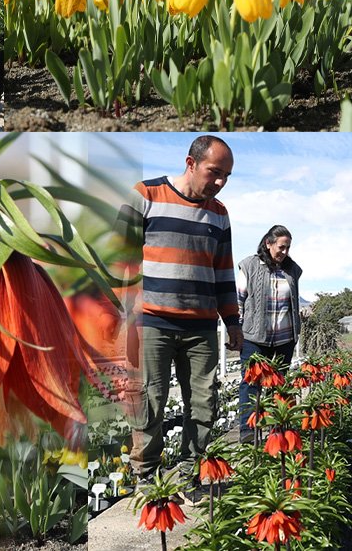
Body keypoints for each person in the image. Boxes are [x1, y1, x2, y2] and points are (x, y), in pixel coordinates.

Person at [120, 135, 240, 486]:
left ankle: (192, 470)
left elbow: (223, 272)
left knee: (204, 402)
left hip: (201, 327)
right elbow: (119, 259)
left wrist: (232, 322)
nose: (220, 182)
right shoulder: (145, 195)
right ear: (191, 163)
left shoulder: (219, 214)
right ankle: (146, 476)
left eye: (227, 176)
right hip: (152, 321)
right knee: (150, 399)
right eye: (214, 172)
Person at [236, 225, 303, 443]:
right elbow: (239, 300)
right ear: (268, 243)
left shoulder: (292, 269)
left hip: (285, 337)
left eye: (288, 248)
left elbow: (293, 301)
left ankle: (278, 431)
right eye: (281, 247)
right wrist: (236, 330)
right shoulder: (249, 265)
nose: (284, 252)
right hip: (255, 337)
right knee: (250, 382)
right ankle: (248, 431)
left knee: (280, 383)